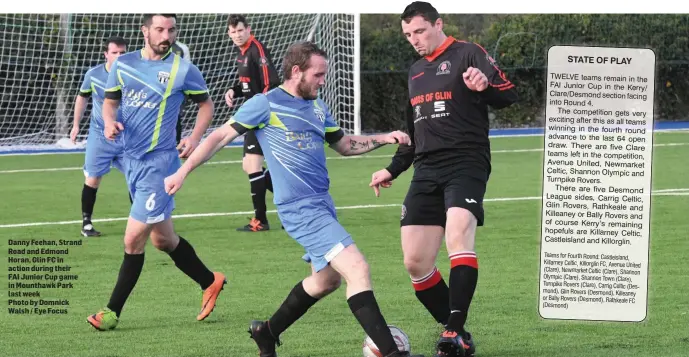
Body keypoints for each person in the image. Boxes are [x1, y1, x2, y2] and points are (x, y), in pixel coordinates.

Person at [164, 41, 423, 357]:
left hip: (322, 205)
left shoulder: (317, 108)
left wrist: (384, 137)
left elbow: (343, 144)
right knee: (357, 269)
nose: (323, 81)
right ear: (296, 71)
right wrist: (183, 170)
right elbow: (219, 136)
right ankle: (392, 354)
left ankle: (267, 332)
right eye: (318, 74)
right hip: (299, 209)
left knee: (327, 281)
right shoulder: (265, 104)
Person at [369, 2, 518, 356]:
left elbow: (509, 93)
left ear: (439, 24)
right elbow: (414, 131)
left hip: (466, 162)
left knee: (458, 233)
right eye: (407, 35)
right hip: (426, 170)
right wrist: (392, 169)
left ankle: (451, 331)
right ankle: (459, 333)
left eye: (419, 31)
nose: (414, 40)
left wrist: (486, 87)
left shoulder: (468, 53)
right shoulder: (415, 71)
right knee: (415, 263)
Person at [86, 13, 226, 331]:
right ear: (145, 31)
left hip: (160, 165)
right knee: (163, 240)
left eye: (171, 30)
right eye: (160, 29)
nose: (167, 35)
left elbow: (206, 105)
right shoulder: (124, 65)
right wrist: (108, 121)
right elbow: (110, 102)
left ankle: (110, 312)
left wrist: (193, 136)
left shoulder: (182, 69)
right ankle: (210, 280)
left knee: (133, 238)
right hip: (131, 162)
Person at [224, 14, 281, 232]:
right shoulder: (242, 53)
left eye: (240, 30)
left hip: (261, 117)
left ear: (248, 29)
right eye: (233, 31)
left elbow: (271, 84)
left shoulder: (257, 50)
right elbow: (249, 85)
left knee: (253, 165)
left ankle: (261, 221)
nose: (237, 35)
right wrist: (233, 90)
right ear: (229, 33)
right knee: (249, 166)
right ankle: (296, 203)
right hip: (253, 115)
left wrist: (262, 112)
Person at [71, 36, 128, 237]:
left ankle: (142, 222)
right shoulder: (93, 74)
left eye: (123, 52)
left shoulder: (134, 74)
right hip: (99, 136)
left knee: (137, 178)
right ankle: (86, 223)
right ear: (106, 54)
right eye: (115, 52)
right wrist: (76, 124)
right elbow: (82, 97)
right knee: (93, 179)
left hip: (128, 137)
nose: (119, 56)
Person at [170, 40, 191, 145]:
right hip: (159, 89)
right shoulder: (156, 47)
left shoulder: (182, 48)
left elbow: (188, 69)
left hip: (177, 89)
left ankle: (176, 145)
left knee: (175, 116)